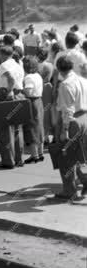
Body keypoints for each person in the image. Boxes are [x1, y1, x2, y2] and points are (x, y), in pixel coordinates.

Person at [54, 56, 87, 200]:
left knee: (66, 156)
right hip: (84, 117)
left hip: (73, 121)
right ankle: (84, 180)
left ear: (59, 69)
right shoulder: (82, 80)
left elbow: (67, 110)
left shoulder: (65, 84)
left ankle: (69, 190)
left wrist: (64, 130)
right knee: (80, 154)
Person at [0, 46, 25, 169]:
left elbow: (11, 79)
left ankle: (8, 160)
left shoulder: (4, 65)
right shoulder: (18, 64)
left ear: (2, 54)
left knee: (5, 130)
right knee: (17, 129)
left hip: (8, 95)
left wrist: (8, 91)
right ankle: (19, 158)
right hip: (19, 95)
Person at [21, 56, 44, 164]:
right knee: (39, 126)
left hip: (31, 101)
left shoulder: (29, 77)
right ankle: (40, 153)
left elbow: (29, 92)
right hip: (39, 101)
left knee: (31, 128)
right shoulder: (38, 75)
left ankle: (34, 155)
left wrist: (21, 90)